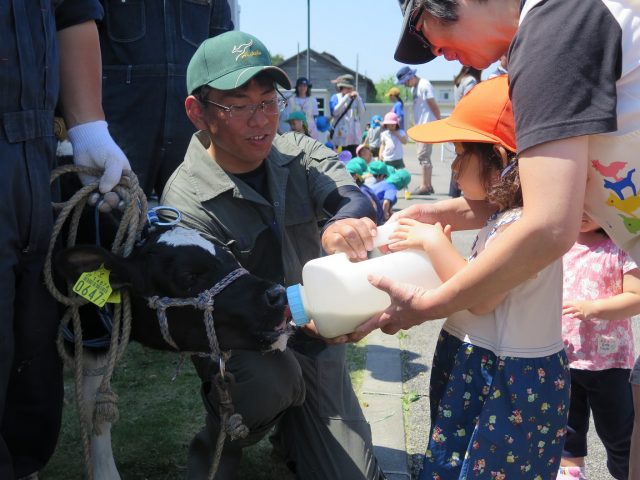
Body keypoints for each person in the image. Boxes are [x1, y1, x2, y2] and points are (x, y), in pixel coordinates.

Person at [161, 30, 385, 479]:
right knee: (270, 384)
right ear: (198, 113)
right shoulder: (185, 203)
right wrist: (300, 318)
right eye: (239, 106)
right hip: (246, 349)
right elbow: (213, 316)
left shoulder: (296, 151)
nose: (261, 119)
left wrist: (345, 221)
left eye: (269, 101)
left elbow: (349, 194)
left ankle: (296, 429)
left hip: (319, 345)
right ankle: (225, 433)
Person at [361, 0, 640, 358]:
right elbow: (532, 202)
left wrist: (429, 305)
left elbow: (548, 226)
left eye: (420, 27)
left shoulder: (551, 29)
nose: (435, 53)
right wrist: (436, 215)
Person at [384, 76, 570, 480]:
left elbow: (483, 299)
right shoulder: (511, 213)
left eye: (459, 154)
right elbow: (471, 245)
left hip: (502, 375)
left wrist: (435, 244)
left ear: (500, 161)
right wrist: (432, 230)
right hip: (488, 363)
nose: (452, 167)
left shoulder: (522, 226)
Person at [1, 4, 130, 479]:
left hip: (36, 154)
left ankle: (24, 465)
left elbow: (71, 13)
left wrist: (89, 127)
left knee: (35, 338)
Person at [97, 1, 233, 197]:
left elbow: (223, 55)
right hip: (117, 131)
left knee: (197, 219)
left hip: (192, 128)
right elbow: (77, 29)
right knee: (112, 219)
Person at [558, 213, 639, 480]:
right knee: (566, 431)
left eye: (590, 205)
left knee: (619, 434)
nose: (581, 211)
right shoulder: (560, 243)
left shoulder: (622, 245)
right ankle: (571, 475)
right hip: (563, 357)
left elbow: (636, 297)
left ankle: (628, 474)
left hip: (610, 361)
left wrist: (594, 308)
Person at [395, 65, 440, 195]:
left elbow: (433, 104)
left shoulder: (424, 85)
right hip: (420, 127)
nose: (405, 85)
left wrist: (439, 122)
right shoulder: (415, 88)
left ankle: (425, 186)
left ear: (411, 77)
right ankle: (428, 185)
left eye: (405, 82)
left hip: (427, 126)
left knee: (423, 156)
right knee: (423, 156)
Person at [449, 66, 482, 197]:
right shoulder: (471, 81)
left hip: (457, 122)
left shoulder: (460, 81)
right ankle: (467, 191)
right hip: (467, 124)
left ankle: (454, 191)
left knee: (458, 157)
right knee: (468, 158)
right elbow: (471, 103)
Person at [330, 75, 366, 157]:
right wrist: (346, 98)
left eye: (350, 88)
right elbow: (335, 112)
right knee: (340, 157)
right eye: (347, 88)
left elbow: (362, 112)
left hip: (354, 136)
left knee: (353, 157)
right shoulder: (335, 97)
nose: (349, 90)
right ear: (341, 88)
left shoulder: (356, 98)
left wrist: (359, 98)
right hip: (340, 137)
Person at [346, 159, 385, 225]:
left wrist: (374, 223)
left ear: (356, 176)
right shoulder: (360, 186)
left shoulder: (362, 190)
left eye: (349, 174)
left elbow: (373, 205)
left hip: (376, 221)